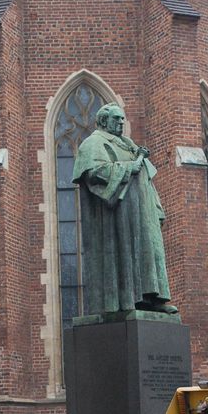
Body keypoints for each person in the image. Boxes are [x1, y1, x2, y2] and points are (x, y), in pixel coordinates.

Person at [71, 103, 176, 316]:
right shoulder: (94, 144)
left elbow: (146, 178)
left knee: (149, 253)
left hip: (143, 212)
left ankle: (151, 298)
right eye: (116, 118)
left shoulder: (129, 145)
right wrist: (129, 168)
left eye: (122, 118)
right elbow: (94, 173)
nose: (121, 122)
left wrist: (156, 206)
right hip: (119, 217)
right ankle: (129, 300)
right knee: (128, 256)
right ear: (103, 121)